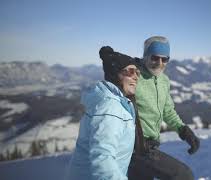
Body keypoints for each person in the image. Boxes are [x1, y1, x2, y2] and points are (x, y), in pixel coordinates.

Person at [128, 36, 200, 180]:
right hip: (135, 147)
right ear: (145, 56)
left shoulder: (163, 80)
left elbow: (167, 110)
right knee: (183, 176)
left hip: (150, 145)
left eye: (164, 59)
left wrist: (183, 130)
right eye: (155, 57)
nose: (160, 63)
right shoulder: (133, 77)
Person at [66, 46, 140, 180]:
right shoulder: (110, 107)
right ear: (115, 74)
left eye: (137, 72)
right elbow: (103, 158)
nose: (136, 77)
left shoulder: (115, 103)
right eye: (130, 71)